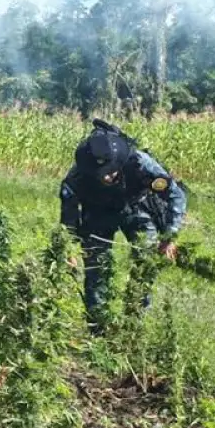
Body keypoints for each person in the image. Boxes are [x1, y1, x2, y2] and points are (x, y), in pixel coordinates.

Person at [60, 119, 187, 328]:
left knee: (145, 261)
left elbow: (175, 195)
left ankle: (134, 322)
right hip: (97, 211)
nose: (107, 177)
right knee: (96, 267)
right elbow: (68, 213)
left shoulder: (139, 162)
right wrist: (67, 249)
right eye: (101, 174)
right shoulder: (78, 176)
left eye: (111, 171)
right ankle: (97, 327)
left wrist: (169, 236)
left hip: (136, 208)